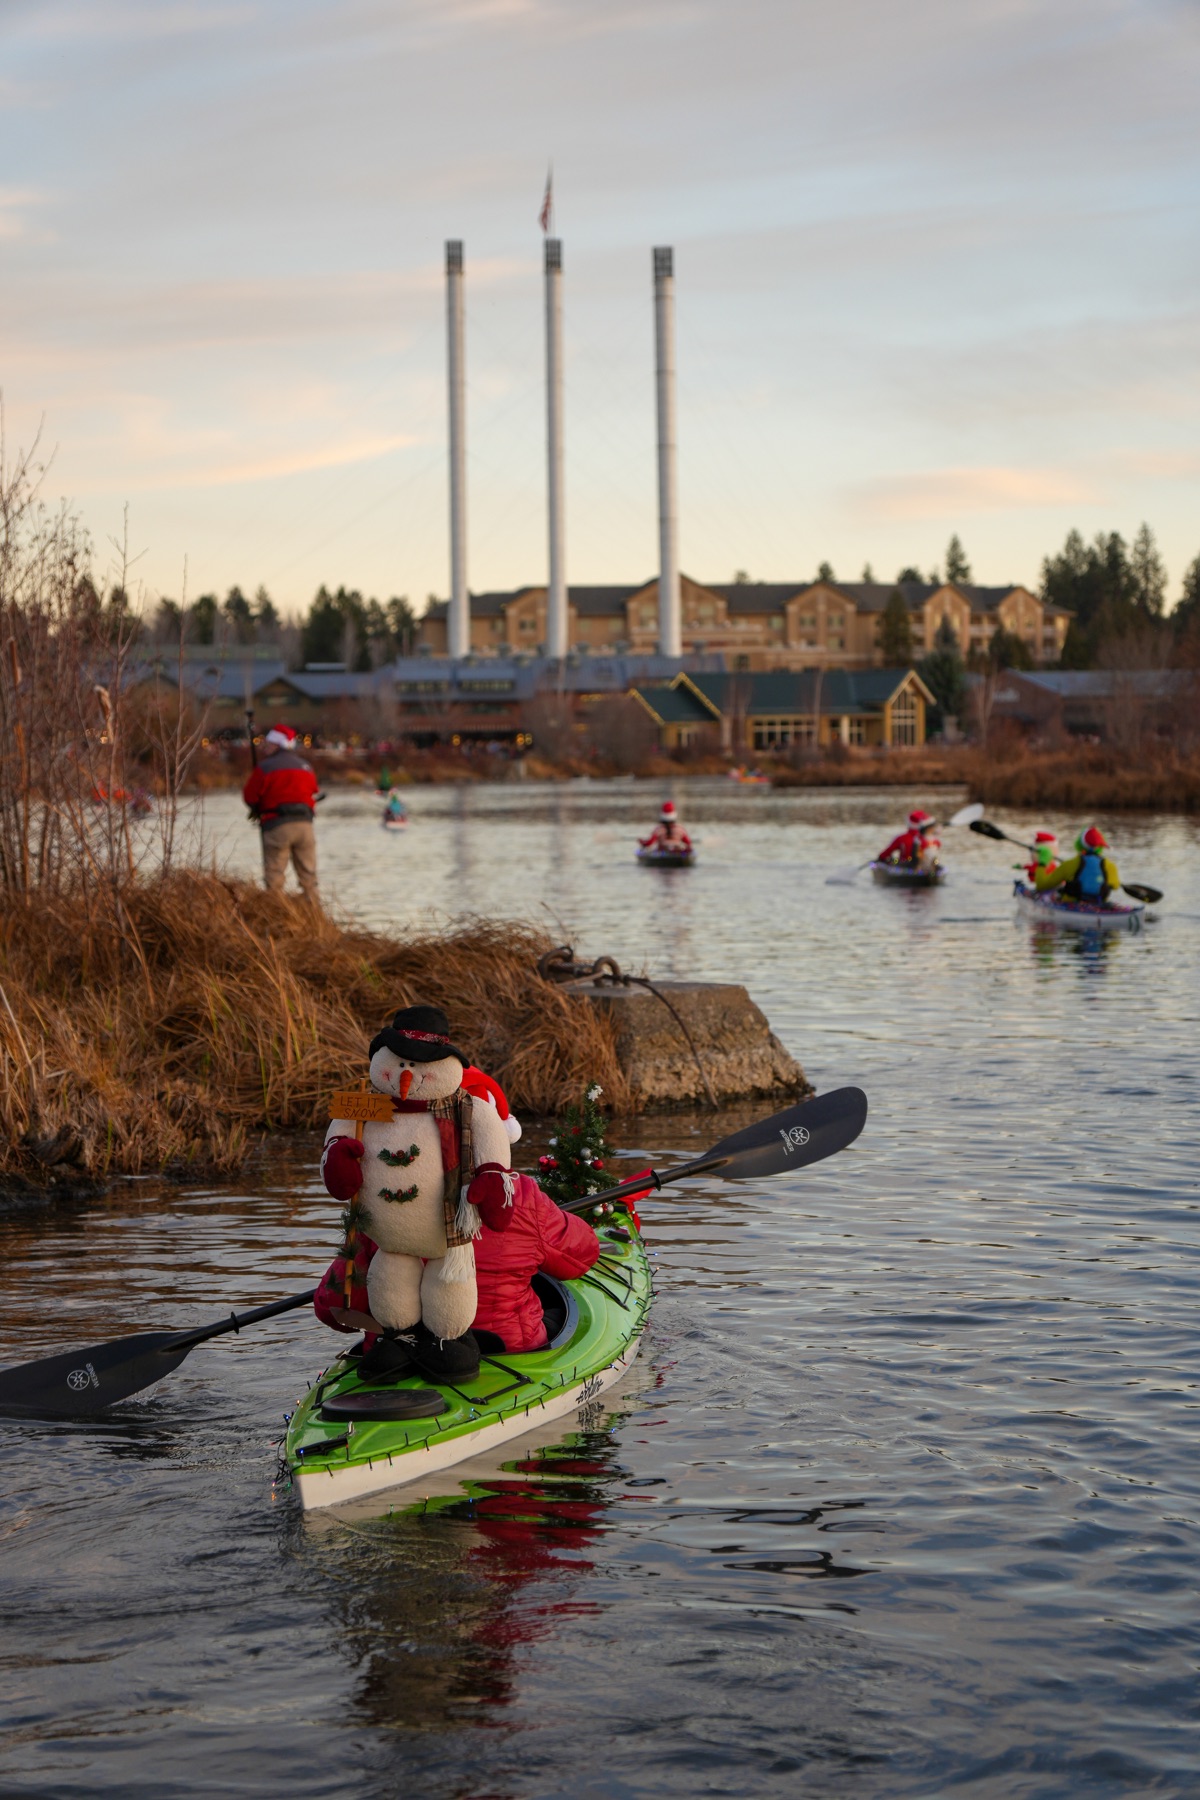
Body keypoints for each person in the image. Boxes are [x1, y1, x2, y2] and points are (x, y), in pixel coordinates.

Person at [242, 723, 320, 899]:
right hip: (305, 826)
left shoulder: (264, 767)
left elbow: (249, 797)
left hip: (276, 825)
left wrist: (257, 808)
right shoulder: (305, 766)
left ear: (276, 744)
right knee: (309, 877)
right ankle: (315, 916)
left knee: (274, 878)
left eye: (268, 743)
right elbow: (314, 790)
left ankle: (275, 916)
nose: (265, 747)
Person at [1035, 826, 1120, 902]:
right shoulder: (1111, 866)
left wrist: (1042, 863)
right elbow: (1115, 886)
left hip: (1071, 907)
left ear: (1079, 845)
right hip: (1099, 907)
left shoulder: (1070, 864)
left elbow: (1042, 885)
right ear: (1101, 846)